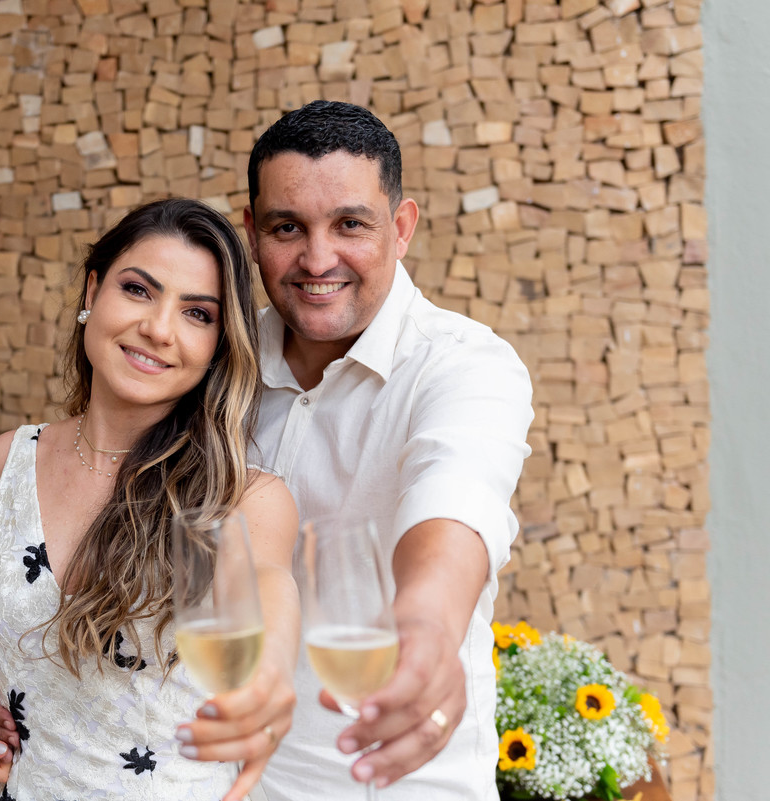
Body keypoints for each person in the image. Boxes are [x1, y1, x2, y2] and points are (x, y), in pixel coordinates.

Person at [0, 198, 299, 801]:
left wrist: (271, 678)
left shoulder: (243, 498)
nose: (159, 329)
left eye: (197, 313)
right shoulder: (8, 461)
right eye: (138, 290)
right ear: (93, 291)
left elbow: (271, 592)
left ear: (218, 345)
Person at [240, 101, 534, 799]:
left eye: (351, 224)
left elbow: (456, 501)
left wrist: (427, 624)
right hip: (229, 778)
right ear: (251, 233)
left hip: (403, 782)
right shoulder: (215, 361)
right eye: (287, 227)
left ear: (401, 228)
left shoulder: (465, 365)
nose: (318, 260)